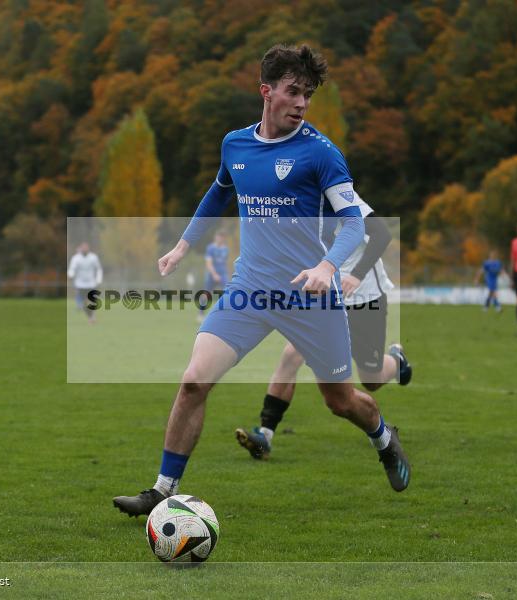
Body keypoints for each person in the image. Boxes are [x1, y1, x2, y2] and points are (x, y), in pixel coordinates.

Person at [113, 44, 411, 517]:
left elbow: (355, 223)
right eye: (294, 91)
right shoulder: (236, 144)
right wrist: (182, 246)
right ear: (266, 92)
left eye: (308, 94)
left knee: (343, 402)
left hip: (311, 297)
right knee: (193, 381)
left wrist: (327, 267)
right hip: (249, 290)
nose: (302, 103)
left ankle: (383, 436)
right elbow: (218, 193)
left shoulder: (321, 153)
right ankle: (163, 490)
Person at [235, 199, 413, 460]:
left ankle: (397, 363)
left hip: (364, 297)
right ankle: (265, 435)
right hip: (325, 296)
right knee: (291, 356)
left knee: (371, 379)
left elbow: (382, 234)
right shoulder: (299, 200)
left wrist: (357, 274)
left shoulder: (343, 196)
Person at [67, 242, 102, 324]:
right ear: (81, 249)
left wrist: (98, 279)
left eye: (86, 248)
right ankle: (90, 317)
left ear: (88, 248)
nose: (85, 249)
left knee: (92, 301)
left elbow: (99, 269)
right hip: (80, 284)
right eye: (83, 248)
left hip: (91, 283)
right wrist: (70, 275)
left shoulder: (93, 257)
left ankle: (92, 316)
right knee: (84, 304)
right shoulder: (76, 258)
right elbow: (72, 268)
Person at [198, 231, 230, 321]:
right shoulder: (210, 248)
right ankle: (200, 314)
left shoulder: (226, 249)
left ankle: (223, 315)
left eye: (222, 237)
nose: (221, 239)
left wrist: (226, 273)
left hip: (222, 274)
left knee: (227, 292)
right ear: (216, 237)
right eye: (219, 237)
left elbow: (225, 263)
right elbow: (208, 263)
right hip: (211, 275)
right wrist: (214, 274)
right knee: (206, 294)